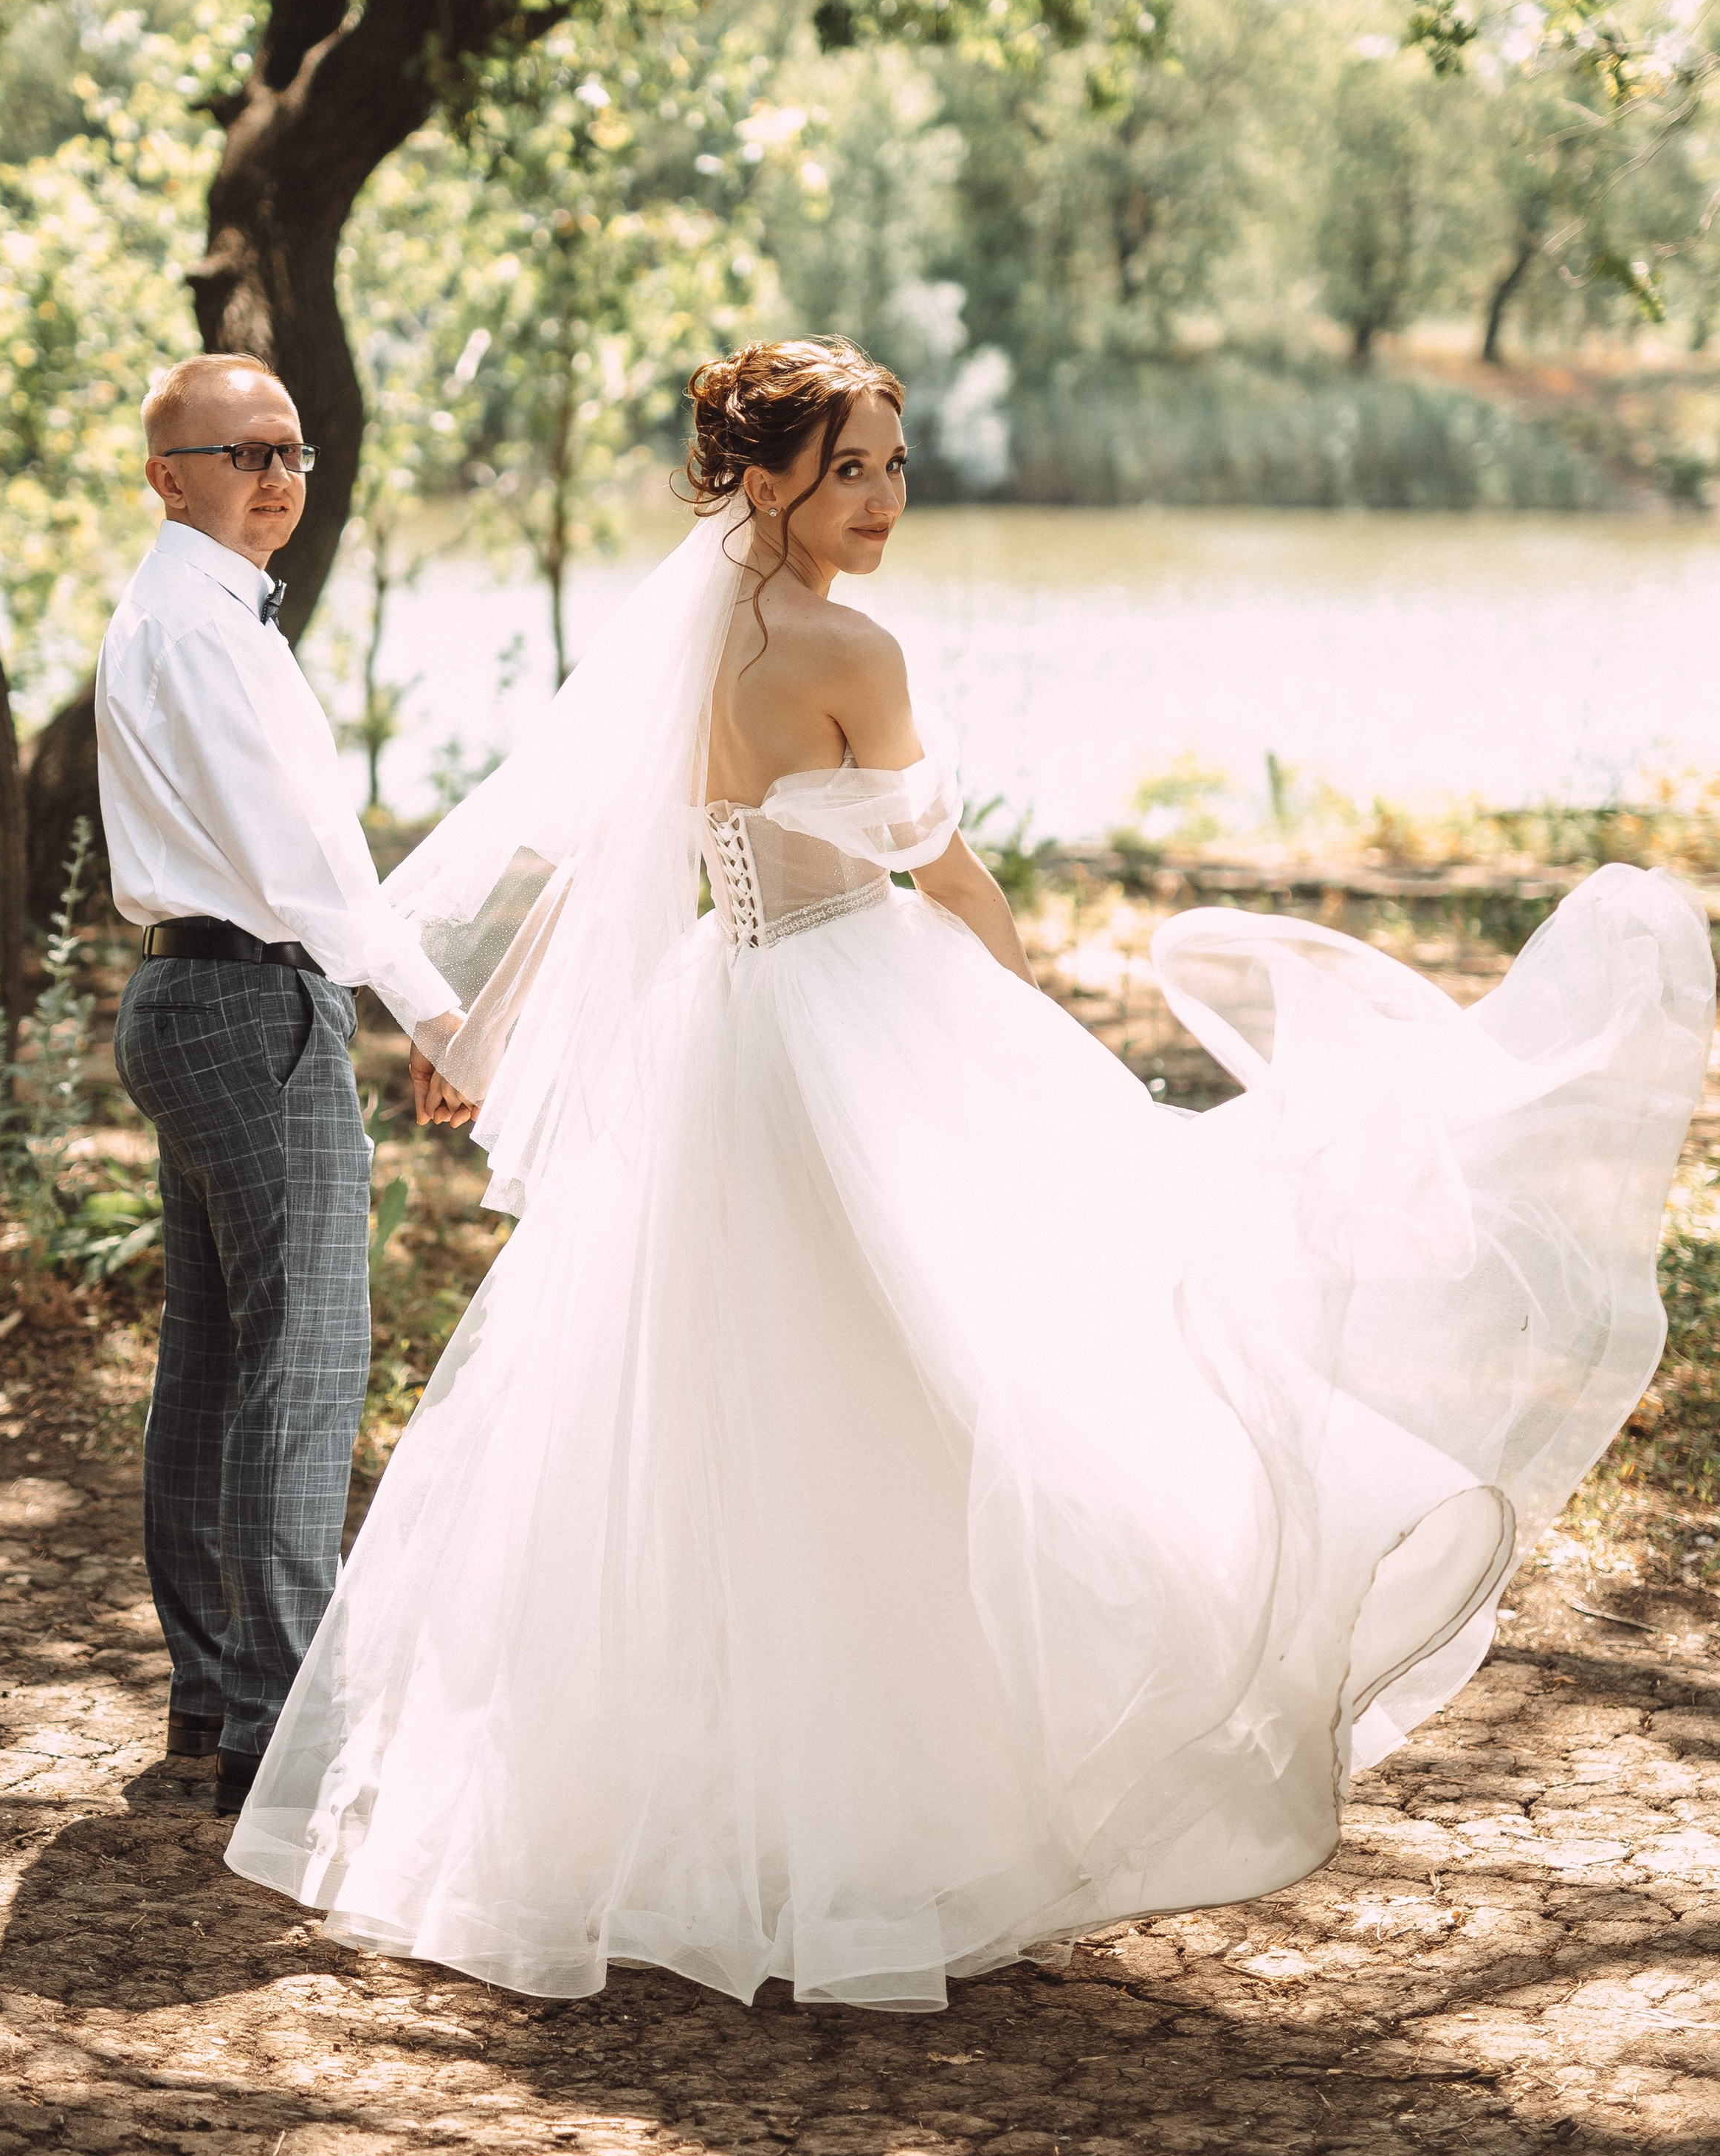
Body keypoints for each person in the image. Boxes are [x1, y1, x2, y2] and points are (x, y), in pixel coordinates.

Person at [226, 337, 1713, 2008]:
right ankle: (916, 1820)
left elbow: (611, 861)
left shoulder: (695, 623)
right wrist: (1026, 1036)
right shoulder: (849, 647)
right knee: (940, 1371)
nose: (881, 499)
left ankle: (701, 1817)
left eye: (895, 463)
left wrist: (482, 1015)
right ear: (767, 472)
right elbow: (946, 871)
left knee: (729, 1404)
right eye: (850, 465)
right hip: (850, 1010)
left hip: (724, 1026)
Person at [97, 354, 467, 1820]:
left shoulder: (202, 613)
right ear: (164, 473)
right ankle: (279, 1726)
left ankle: (217, 1698)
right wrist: (436, 1011)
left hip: (199, 996)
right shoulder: (196, 627)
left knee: (216, 1365)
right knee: (299, 1372)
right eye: (240, 450)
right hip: (246, 1001)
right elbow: (297, 866)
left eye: (293, 449)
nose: (277, 473)